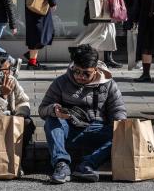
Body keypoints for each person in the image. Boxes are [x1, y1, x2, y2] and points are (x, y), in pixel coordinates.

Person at [39, 44, 127, 184]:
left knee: (122, 134)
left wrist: (120, 123)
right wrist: (53, 109)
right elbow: (42, 109)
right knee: (51, 121)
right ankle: (61, 165)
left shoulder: (108, 84)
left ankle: (87, 166)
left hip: (97, 129)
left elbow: (118, 110)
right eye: (76, 71)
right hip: (70, 129)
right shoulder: (61, 82)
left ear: (96, 69)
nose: (80, 76)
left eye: (86, 73)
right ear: (73, 66)